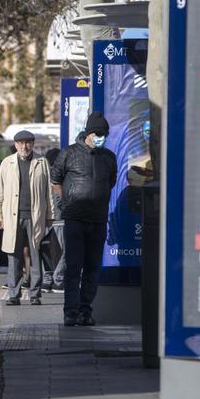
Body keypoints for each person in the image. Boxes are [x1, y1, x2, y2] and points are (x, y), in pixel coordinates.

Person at [50, 112, 117, 326]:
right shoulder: (69, 153)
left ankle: (85, 310)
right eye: (97, 133)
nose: (101, 137)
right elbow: (55, 180)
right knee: (73, 267)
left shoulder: (108, 157)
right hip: (75, 219)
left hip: (98, 220)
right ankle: (70, 312)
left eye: (104, 134)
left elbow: (111, 182)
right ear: (88, 133)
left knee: (92, 268)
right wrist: (66, 203)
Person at [0, 130, 56, 306]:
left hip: (36, 216)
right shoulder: (7, 163)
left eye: (28, 143)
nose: (24, 146)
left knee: (35, 256)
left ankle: (35, 294)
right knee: (14, 256)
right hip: (13, 217)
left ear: (33, 144)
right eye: (21, 143)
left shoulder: (42, 162)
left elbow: (48, 192)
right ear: (16, 144)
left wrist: (50, 215)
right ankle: (14, 294)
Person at [42, 148, 65, 291]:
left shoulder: (43, 176)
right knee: (65, 251)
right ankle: (59, 279)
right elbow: (61, 200)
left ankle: (47, 279)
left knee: (45, 250)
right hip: (60, 219)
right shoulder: (59, 176)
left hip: (44, 220)